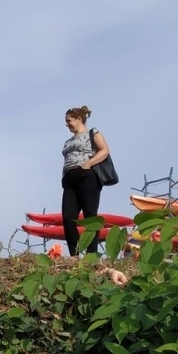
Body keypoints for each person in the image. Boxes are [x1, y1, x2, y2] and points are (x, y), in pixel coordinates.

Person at [60, 106, 110, 256]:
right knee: (68, 217)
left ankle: (91, 254)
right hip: (69, 178)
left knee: (90, 216)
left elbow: (105, 150)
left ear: (79, 119)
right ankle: (74, 254)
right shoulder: (68, 141)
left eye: (69, 120)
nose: (67, 124)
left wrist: (87, 165)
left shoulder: (92, 133)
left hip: (87, 176)